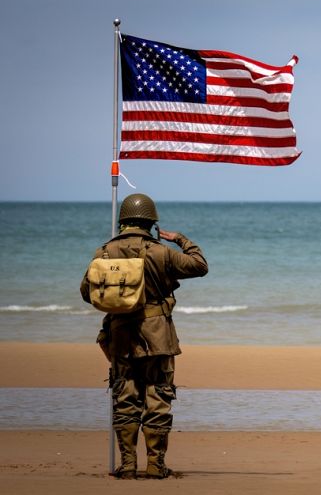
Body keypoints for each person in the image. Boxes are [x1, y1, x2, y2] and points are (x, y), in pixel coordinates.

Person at [80, 193, 208, 479]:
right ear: (151, 223)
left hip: (120, 338)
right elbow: (200, 266)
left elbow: (87, 293)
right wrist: (180, 238)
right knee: (158, 398)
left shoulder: (103, 253)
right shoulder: (161, 252)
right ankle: (155, 465)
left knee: (125, 399)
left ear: (122, 221)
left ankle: (127, 465)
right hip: (158, 337)